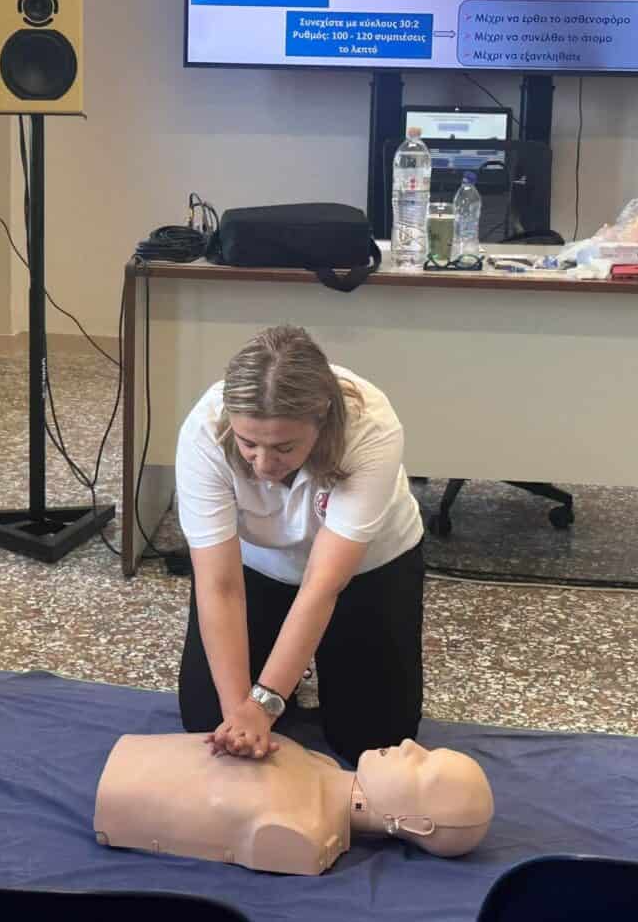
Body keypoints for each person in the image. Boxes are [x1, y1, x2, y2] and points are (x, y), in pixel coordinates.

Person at [176, 326, 425, 768]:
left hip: (366, 570)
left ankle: (308, 671)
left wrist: (265, 702)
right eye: (248, 443)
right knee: (206, 721)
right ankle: (285, 673)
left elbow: (322, 585)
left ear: (322, 420)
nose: (264, 464)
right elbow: (220, 586)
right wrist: (239, 717)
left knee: (373, 742)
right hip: (259, 566)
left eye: (284, 447)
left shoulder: (371, 425)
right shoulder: (203, 430)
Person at [95, 732, 493, 876]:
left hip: (118, 795)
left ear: (415, 823)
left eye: (422, 767)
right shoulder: (321, 767)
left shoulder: (302, 832)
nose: (409, 746)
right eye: (427, 751)